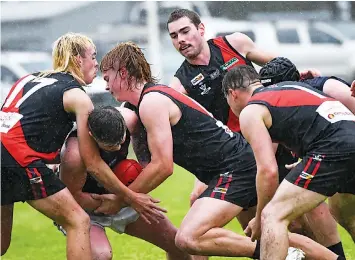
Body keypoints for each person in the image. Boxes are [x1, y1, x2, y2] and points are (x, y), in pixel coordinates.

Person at [92, 41, 343, 260]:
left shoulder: (152, 102)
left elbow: (163, 166)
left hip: (235, 168)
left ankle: (276, 252)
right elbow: (150, 163)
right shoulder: (148, 101)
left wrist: (122, 198)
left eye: (107, 78)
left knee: (189, 237)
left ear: (123, 73)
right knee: (268, 228)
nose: (106, 87)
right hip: (230, 167)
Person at [167, 8, 343, 256]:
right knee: (211, 203)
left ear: (201, 29)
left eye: (185, 31)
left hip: (274, 133)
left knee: (310, 209)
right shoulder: (180, 83)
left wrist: (302, 74)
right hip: (239, 151)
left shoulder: (234, 43)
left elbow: (277, 66)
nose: (180, 40)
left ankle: (333, 254)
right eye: (174, 36)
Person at [0, 33, 164, 259]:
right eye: (93, 57)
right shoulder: (77, 95)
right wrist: (130, 197)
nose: (96, 64)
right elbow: (93, 162)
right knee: (78, 220)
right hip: (20, 160)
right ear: (78, 59)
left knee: (1, 242)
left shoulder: (26, 79)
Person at [222, 65, 355, 259]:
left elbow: (268, 170)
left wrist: (259, 217)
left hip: (332, 147)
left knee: (272, 216)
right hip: (349, 136)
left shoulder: (250, 110)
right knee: (347, 216)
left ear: (232, 94)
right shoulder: (290, 87)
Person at [57, 105, 198, 260]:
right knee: (100, 255)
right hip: (86, 209)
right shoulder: (73, 156)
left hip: (123, 198)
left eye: (121, 141)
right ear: (91, 136)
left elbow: (138, 136)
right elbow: (72, 198)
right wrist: (114, 202)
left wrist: (143, 165)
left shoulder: (130, 119)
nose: (118, 147)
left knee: (176, 243)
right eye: (111, 146)